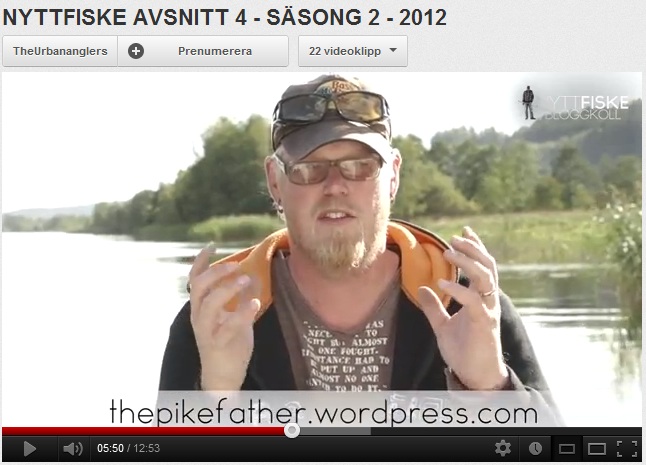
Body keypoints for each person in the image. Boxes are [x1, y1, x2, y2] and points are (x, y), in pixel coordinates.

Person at [158, 74, 561, 422]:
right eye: (309, 169)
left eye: (361, 166)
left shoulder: (468, 305)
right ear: (275, 182)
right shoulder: (215, 317)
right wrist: (216, 398)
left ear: (393, 176)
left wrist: (492, 389)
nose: (335, 186)